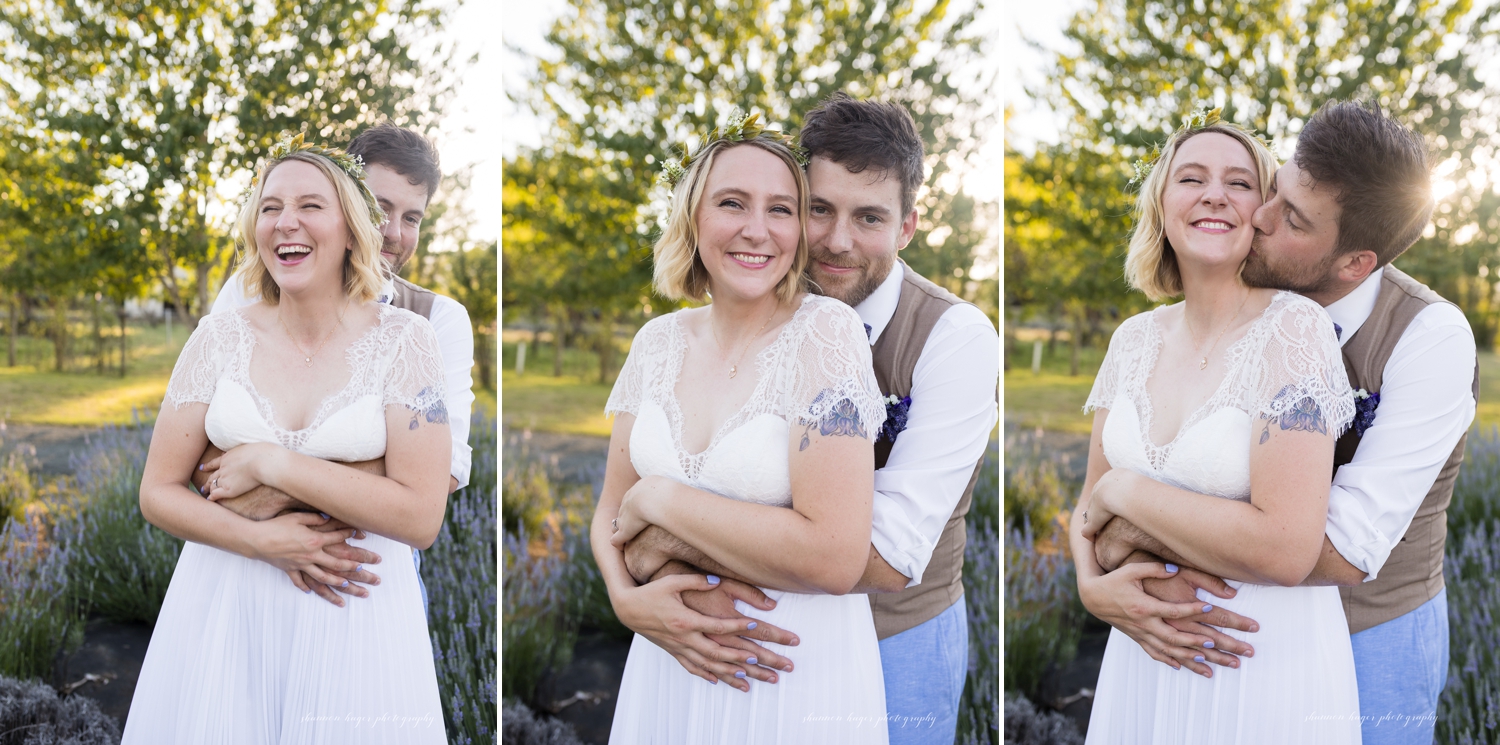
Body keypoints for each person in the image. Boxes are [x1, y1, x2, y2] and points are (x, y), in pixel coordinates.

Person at [1088, 100, 1474, 745]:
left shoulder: (1429, 339)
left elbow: (1342, 550)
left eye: (1291, 217)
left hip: (1369, 636)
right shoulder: (1177, 327)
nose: (1259, 216)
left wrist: (1123, 524)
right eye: (1275, 189)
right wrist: (1094, 588)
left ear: (1355, 263)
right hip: (1194, 638)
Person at [616, 94, 998, 744]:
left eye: (869, 217)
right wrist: (627, 595)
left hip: (895, 636)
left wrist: (660, 535)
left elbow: (881, 557)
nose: (837, 240)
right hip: (709, 635)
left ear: (907, 226)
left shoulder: (954, 337)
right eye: (819, 209)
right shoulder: (743, 314)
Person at [124, 136, 450, 742]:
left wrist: (271, 463)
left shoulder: (407, 342)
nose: (285, 222)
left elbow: (422, 515)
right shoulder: (216, 338)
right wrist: (259, 542)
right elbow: (158, 491)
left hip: (354, 611)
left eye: (310, 205)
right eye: (270, 207)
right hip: (222, 606)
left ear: (352, 229)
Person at [592, 112, 891, 742]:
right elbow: (609, 516)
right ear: (694, 217)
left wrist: (663, 501)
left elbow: (835, 555)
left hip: (788, 675)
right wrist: (626, 600)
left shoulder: (825, 335)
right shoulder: (656, 343)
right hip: (666, 662)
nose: (757, 230)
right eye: (733, 203)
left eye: (781, 209)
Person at [1069, 110, 1361, 742]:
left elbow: (1287, 547)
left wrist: (1127, 496)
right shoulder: (1132, 340)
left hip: (1256, 661)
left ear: (1262, 211)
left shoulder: (1294, 329)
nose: (1214, 194)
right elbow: (1085, 508)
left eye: (1239, 182)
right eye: (1191, 178)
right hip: (1140, 653)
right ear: (1161, 206)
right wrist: (1093, 591)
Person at [202, 123, 475, 606]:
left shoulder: (437, 322)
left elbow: (440, 477)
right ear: (346, 205)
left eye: (412, 218)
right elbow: (200, 457)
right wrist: (368, 475)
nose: (393, 232)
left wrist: (271, 475)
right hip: (238, 568)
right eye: (381, 207)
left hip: (360, 577)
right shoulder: (245, 299)